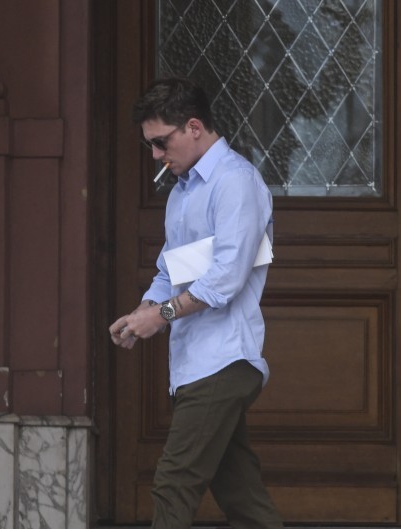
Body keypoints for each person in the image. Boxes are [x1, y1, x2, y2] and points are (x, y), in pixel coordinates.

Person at [109, 77, 282, 529]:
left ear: (193, 127)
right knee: (242, 497)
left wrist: (162, 314)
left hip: (224, 360)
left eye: (161, 142)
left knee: (173, 485)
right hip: (196, 364)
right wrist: (144, 310)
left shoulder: (236, 182)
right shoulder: (182, 193)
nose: (155, 155)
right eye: (149, 144)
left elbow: (226, 278)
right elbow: (170, 272)